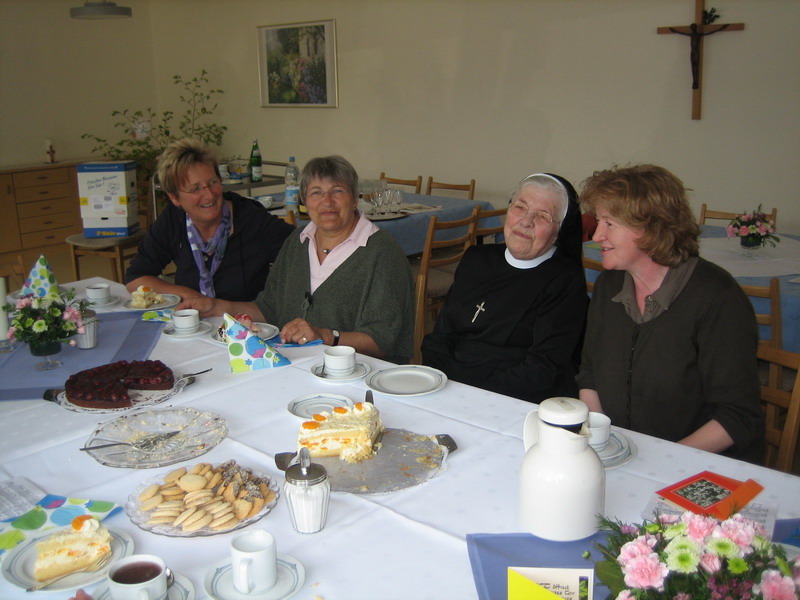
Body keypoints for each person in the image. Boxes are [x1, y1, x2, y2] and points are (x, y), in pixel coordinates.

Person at [576, 164, 763, 462]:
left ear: (652, 228)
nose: (597, 234)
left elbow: (737, 416)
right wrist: (602, 441)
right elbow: (590, 374)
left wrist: (660, 461)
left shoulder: (717, 297)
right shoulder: (609, 285)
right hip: (623, 457)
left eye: (610, 224)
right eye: (598, 221)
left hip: (698, 465)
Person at [178, 155, 414, 363]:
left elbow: (384, 342)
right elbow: (269, 308)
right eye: (316, 193)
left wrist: (325, 336)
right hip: (295, 367)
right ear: (304, 201)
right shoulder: (297, 243)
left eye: (338, 191)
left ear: (355, 198)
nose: (327, 202)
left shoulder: (382, 253)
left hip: (359, 376)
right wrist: (217, 306)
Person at [421, 173, 588, 403]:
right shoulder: (476, 258)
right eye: (520, 207)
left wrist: (468, 392)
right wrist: (441, 381)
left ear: (559, 232)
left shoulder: (564, 281)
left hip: (511, 400)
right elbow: (441, 336)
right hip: (449, 386)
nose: (526, 221)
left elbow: (540, 370)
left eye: (543, 216)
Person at [125, 138, 294, 302]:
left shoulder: (251, 219)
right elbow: (136, 278)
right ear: (174, 198)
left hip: (247, 325)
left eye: (213, 182)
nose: (209, 195)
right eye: (195, 188)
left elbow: (303, 251)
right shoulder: (173, 220)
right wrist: (188, 294)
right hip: (196, 323)